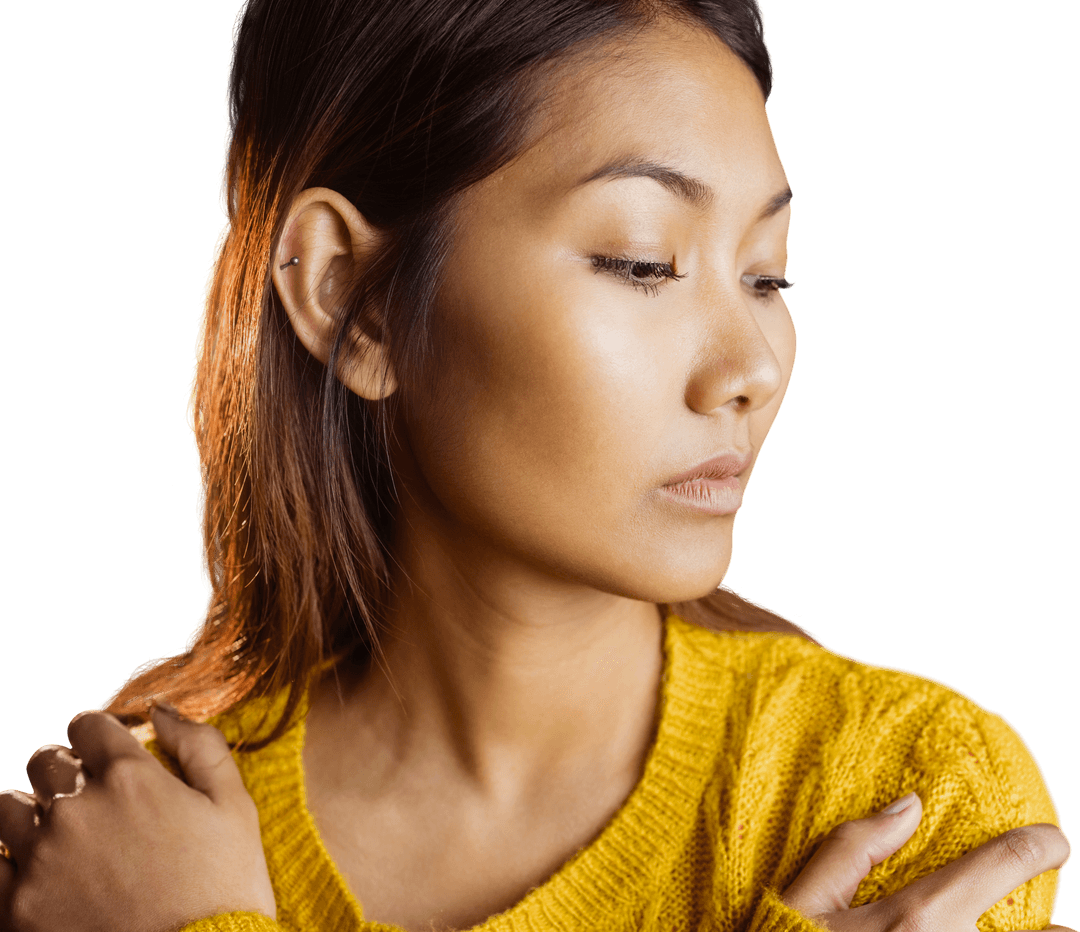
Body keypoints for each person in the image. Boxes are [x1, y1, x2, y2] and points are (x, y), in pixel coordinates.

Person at [0, 1, 1070, 930]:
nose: (751, 369)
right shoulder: (116, 841)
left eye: (768, 276)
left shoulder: (899, 791)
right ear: (350, 298)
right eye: (645, 262)